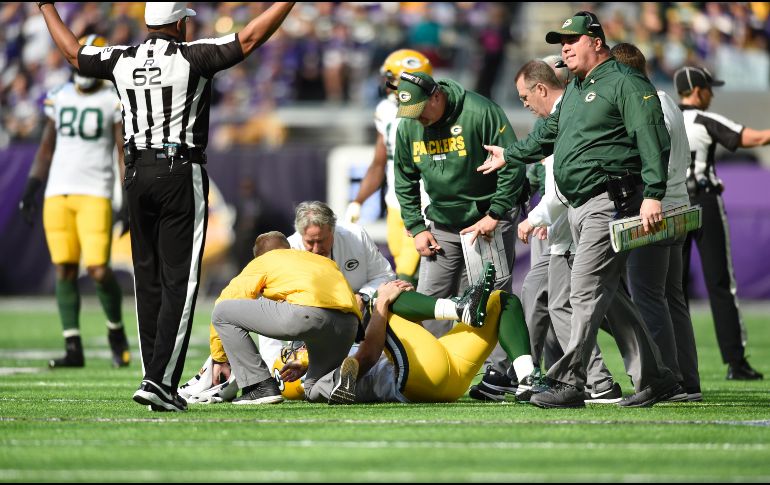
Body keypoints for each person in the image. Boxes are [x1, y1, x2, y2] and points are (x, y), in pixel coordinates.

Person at [36, 1, 296, 411]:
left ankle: (152, 376)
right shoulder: (191, 56)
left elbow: (72, 52)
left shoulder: (122, 57)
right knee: (181, 281)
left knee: (149, 280)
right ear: (179, 23)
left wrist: (45, 6)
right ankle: (160, 381)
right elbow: (251, 36)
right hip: (178, 171)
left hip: (136, 175)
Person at [482, 11, 680, 408]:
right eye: (561, 43)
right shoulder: (576, 88)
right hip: (579, 205)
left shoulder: (625, 82)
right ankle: (658, 378)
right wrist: (512, 154)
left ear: (596, 40)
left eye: (572, 40)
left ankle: (570, 382)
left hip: (608, 202)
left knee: (582, 291)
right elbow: (549, 135)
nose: (565, 48)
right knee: (607, 298)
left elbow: (651, 134)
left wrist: (655, 192)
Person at [393, 70, 528, 401]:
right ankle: (426, 370)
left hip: (486, 220)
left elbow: (513, 164)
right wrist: (416, 227)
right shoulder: (409, 124)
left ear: (437, 96)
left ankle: (501, 376)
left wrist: (495, 213)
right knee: (429, 298)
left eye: (422, 110)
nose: (418, 120)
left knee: (491, 296)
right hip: (440, 224)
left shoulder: (480, 112)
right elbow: (404, 178)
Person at [18, 34, 130, 370]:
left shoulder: (112, 100)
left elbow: (121, 153)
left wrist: (126, 195)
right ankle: (73, 347)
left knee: (97, 269)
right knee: (64, 269)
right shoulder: (59, 96)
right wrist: (32, 187)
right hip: (57, 192)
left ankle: (116, 333)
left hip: (96, 190)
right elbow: (46, 148)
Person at [513, 59, 621, 404]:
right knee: (598, 307)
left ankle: (596, 381)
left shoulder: (568, 116)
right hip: (569, 228)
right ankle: (647, 375)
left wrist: (537, 217)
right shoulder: (562, 115)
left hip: (581, 225)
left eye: (524, 97)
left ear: (541, 89)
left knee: (569, 305)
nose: (525, 105)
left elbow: (566, 183)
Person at [299, 263, 536, 404]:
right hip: (415, 384)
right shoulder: (315, 381)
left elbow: (419, 344)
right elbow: (368, 356)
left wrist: (410, 304)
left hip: (444, 370)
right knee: (379, 299)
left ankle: (528, 380)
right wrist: (383, 302)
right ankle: (458, 308)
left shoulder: (330, 351)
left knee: (502, 300)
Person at [612, 43, 703, 401]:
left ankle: (665, 379)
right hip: (678, 204)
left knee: (648, 297)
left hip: (656, 208)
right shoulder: (666, 99)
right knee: (671, 297)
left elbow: (654, 152)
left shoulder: (645, 103)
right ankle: (687, 379)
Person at [674, 65, 769, 381]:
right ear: (699, 90)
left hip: (671, 205)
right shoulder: (705, 119)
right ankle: (736, 362)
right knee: (720, 283)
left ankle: (674, 363)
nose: (712, 94)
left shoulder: (664, 118)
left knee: (672, 287)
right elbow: (751, 138)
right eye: (709, 89)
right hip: (704, 202)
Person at [209, 231, 360, 405]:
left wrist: (219, 358)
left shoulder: (264, 261)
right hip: (348, 325)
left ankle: (260, 386)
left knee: (222, 312)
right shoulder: (321, 260)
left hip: (307, 316)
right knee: (311, 388)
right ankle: (336, 381)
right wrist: (304, 362)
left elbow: (228, 299)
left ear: (259, 255)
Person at [343, 49, 432, 285]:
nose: (388, 84)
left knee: (403, 280)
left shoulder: (430, 111)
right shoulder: (385, 110)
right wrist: (357, 201)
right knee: (406, 281)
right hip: (394, 205)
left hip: (423, 204)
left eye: (394, 78)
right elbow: (379, 162)